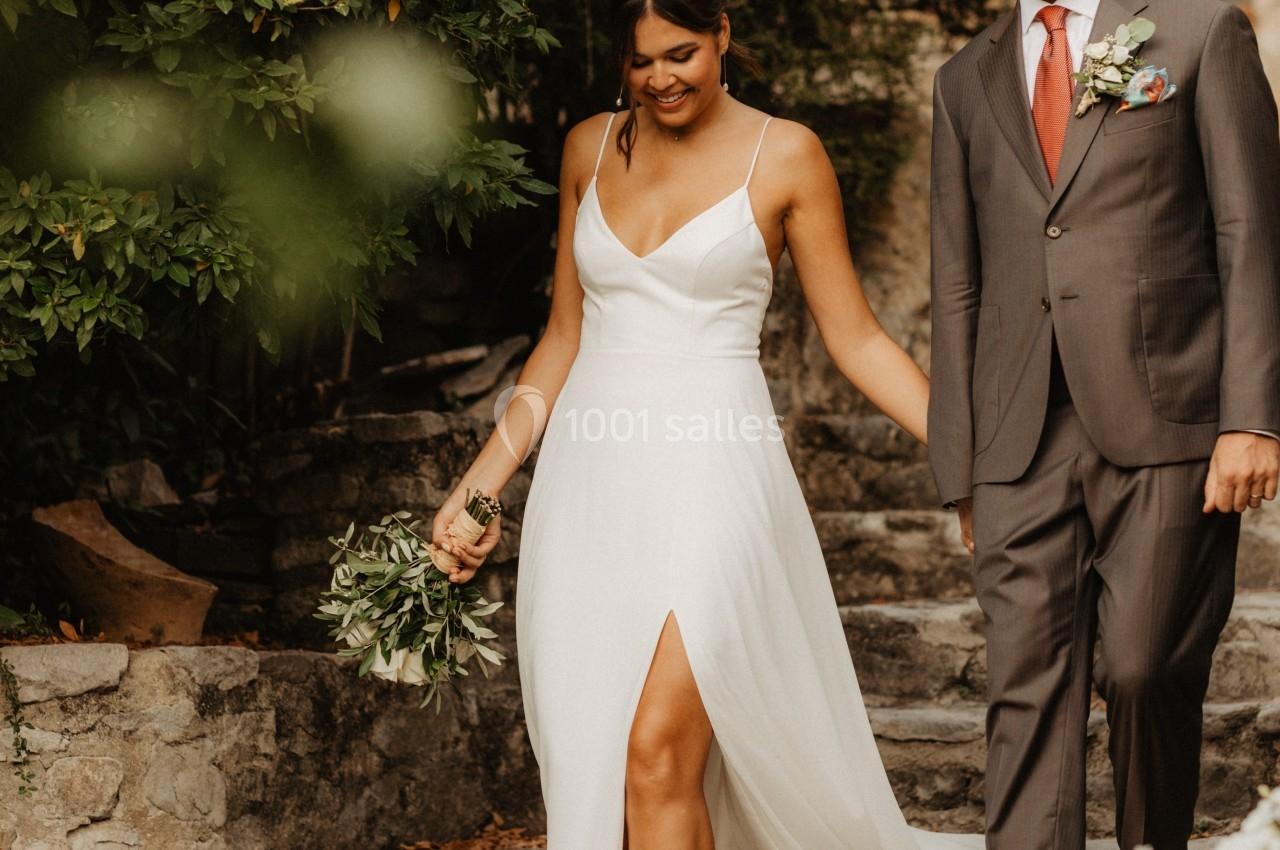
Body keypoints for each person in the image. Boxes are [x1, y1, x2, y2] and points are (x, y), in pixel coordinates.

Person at [430, 1, 982, 848]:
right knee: (608, 759)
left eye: (681, 53)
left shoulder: (788, 153)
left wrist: (971, 465)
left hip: (719, 475)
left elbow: (859, 339)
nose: (660, 79)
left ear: (722, 33)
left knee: (656, 751)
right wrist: (480, 486)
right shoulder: (590, 145)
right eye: (640, 61)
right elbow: (562, 340)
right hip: (591, 484)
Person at [927, 0, 1280, 848]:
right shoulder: (963, 78)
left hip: (1168, 414)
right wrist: (960, 461)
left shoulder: (1199, 31)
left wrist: (1254, 418)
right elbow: (956, 280)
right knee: (1024, 691)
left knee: (1145, 667)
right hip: (1015, 439)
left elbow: (1251, 231)